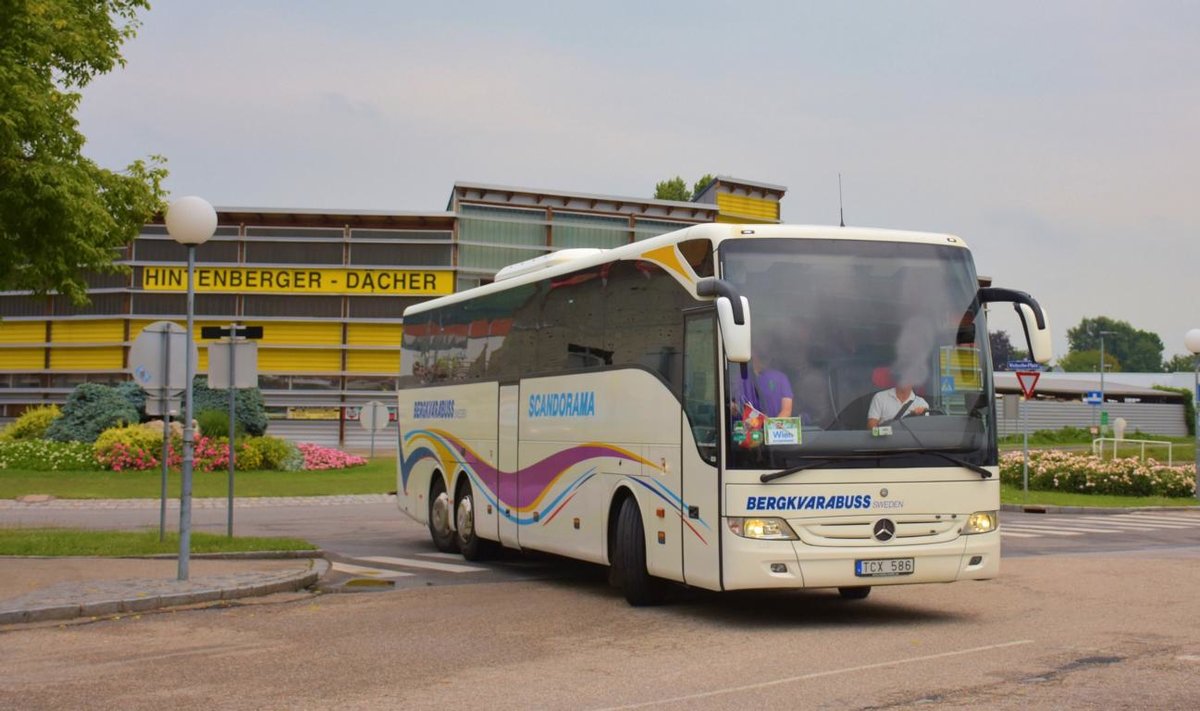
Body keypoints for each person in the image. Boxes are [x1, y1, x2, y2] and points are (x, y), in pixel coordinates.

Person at [737, 353, 794, 418]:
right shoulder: (743, 378)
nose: (763, 359)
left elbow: (786, 410)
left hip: (774, 426)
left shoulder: (781, 378)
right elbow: (738, 407)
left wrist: (771, 426)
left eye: (764, 355)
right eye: (760, 354)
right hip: (750, 425)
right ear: (752, 354)